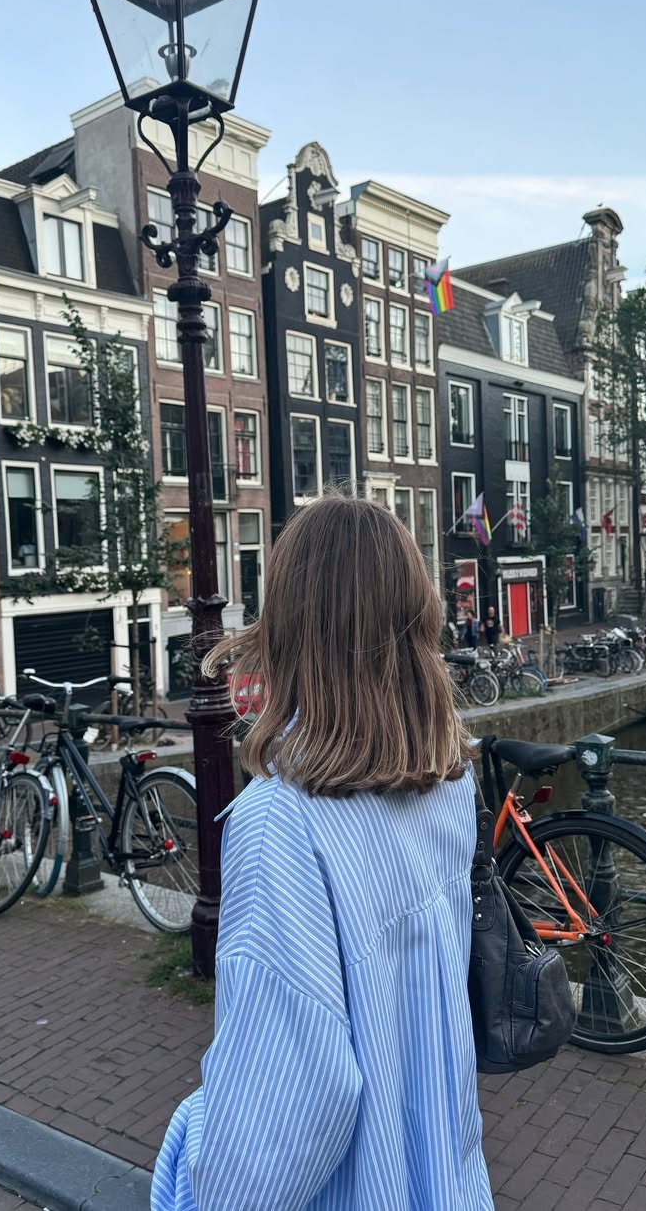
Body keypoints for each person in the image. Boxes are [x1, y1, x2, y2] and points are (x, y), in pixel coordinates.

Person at [151, 493, 492, 1211]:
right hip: (447, 1178)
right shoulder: (449, 782)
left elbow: (280, 1120)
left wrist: (196, 1164)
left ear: (292, 626)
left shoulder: (282, 823)